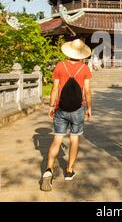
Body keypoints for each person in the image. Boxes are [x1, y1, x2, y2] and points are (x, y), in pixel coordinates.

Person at [40, 39, 92, 192]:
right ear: (81, 53)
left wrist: (51, 106)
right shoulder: (84, 68)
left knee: (57, 139)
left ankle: (48, 170)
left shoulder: (59, 66)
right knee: (74, 139)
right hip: (77, 109)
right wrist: (89, 108)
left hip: (60, 109)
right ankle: (69, 170)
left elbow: (55, 89)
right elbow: (87, 91)